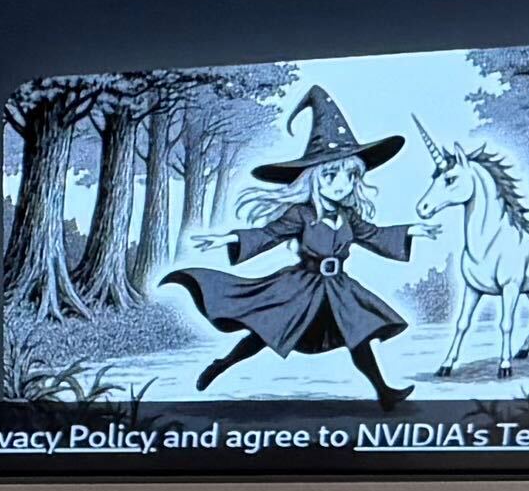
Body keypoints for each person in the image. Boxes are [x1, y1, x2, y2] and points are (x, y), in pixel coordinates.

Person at [159, 86, 421, 396]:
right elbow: (270, 234)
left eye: (350, 176)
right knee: (264, 332)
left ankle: (384, 392)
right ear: (312, 178)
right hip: (300, 288)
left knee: (359, 333)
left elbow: (374, 235)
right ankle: (222, 364)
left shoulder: (349, 217)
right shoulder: (301, 214)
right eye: (331, 175)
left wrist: (412, 231)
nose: (342, 184)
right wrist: (228, 238)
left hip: (339, 289)